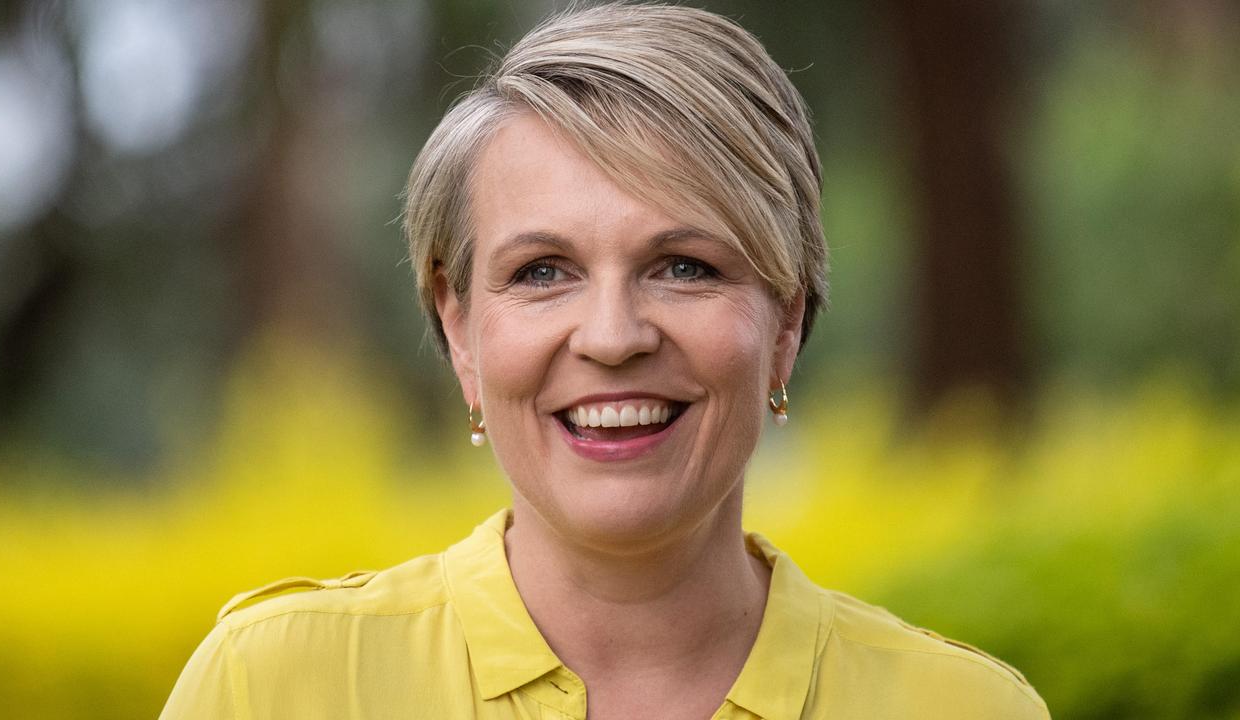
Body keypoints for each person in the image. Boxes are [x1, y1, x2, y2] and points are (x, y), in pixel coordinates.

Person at [160, 3, 1049, 718]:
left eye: (685, 267)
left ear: (784, 322)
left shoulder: (964, 708)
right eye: (543, 272)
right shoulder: (272, 688)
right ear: (460, 329)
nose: (614, 336)